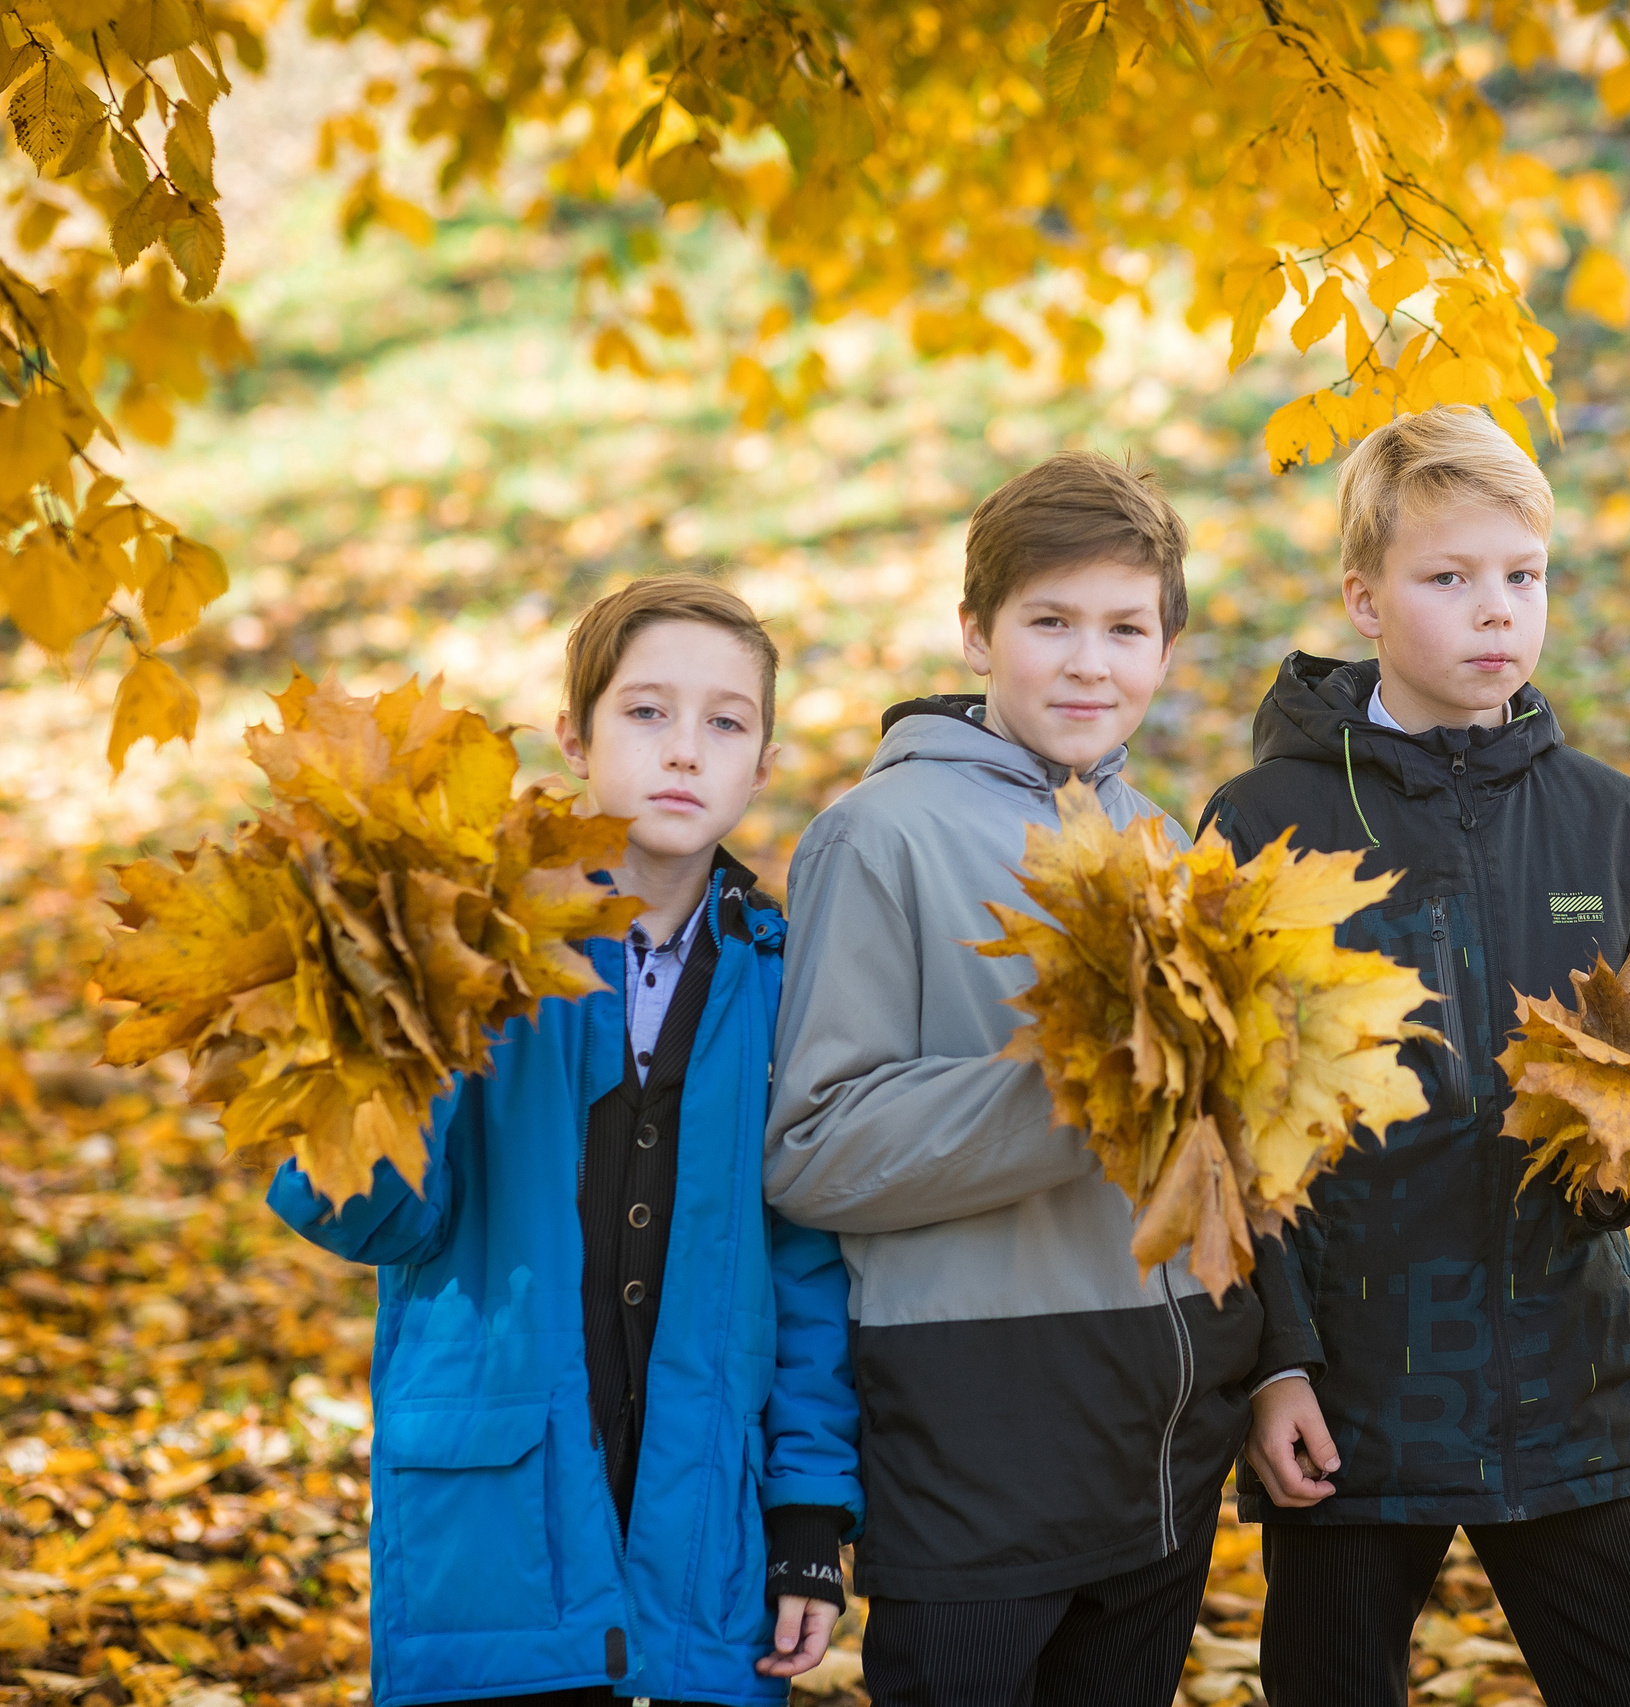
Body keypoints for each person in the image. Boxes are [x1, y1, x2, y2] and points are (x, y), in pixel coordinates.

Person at [1198, 405, 1630, 1707]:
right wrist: (1272, 1360)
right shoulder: (1263, 819)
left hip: (1571, 1375)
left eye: (1522, 574)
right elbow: (1216, 1126)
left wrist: (1627, 1166)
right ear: (1364, 598)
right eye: (1448, 578)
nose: (1496, 608)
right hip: (1350, 1391)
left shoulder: (1607, 818)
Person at [268, 576, 862, 1707]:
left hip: (706, 1543)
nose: (684, 749)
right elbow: (368, 1215)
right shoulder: (474, 956)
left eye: (724, 722)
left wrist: (805, 1521)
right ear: (573, 740)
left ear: (764, 766)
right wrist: (387, 1035)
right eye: (646, 712)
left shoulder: (785, 981)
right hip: (490, 1532)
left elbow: (808, 1271)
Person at [763, 452, 1264, 1707]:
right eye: (1050, 623)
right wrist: (1082, 1089)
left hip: (1159, 1441)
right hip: (977, 1434)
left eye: (1124, 628)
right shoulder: (878, 837)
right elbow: (813, 1148)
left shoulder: (1160, 840)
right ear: (978, 634)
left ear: (1166, 646)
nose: (1089, 662)